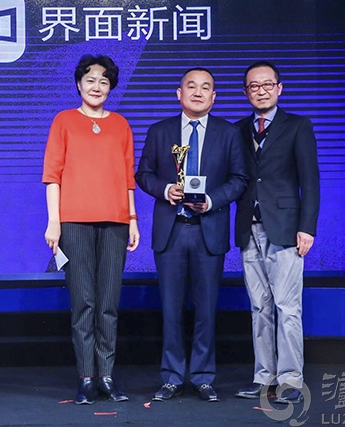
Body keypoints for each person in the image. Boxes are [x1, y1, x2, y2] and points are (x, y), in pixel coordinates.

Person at [136, 68, 247, 402]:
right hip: (170, 232)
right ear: (179, 93)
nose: (198, 92)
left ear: (214, 97)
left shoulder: (229, 133)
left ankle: (202, 376)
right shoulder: (160, 131)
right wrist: (165, 189)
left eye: (206, 87)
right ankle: (171, 377)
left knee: (206, 310)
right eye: (191, 86)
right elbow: (143, 174)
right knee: (170, 310)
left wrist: (211, 201)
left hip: (208, 231)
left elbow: (239, 179)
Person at [42, 54, 140, 405]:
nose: (97, 86)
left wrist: (132, 219)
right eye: (90, 80)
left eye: (104, 81)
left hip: (115, 223)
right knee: (83, 301)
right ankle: (86, 378)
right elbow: (52, 175)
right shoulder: (64, 120)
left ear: (111, 87)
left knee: (108, 303)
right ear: (79, 84)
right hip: (74, 223)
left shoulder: (121, 125)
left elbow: (128, 177)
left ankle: (107, 376)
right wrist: (54, 222)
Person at [234, 61, 320, 404]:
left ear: (279, 88)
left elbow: (310, 182)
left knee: (287, 307)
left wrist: (307, 227)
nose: (261, 91)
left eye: (267, 85)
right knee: (259, 307)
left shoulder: (297, 125)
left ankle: (290, 380)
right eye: (254, 86)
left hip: (286, 228)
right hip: (248, 228)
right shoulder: (238, 129)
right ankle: (263, 377)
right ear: (246, 92)